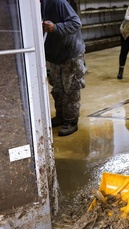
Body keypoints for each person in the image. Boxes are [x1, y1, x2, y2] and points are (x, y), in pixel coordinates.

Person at [41, 0, 87, 136]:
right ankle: (61, 116)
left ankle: (71, 120)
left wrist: (55, 27)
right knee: (58, 87)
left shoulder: (58, 3)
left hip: (70, 52)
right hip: (54, 54)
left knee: (71, 88)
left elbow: (76, 23)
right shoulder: (32, 8)